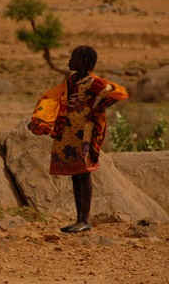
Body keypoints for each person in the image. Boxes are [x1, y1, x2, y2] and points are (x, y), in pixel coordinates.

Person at [28, 45, 128, 233]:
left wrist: (97, 110)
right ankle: (78, 219)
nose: (68, 61)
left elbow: (116, 94)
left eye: (73, 57)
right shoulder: (70, 82)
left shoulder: (93, 82)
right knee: (75, 174)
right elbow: (51, 100)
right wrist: (39, 121)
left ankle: (85, 219)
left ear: (83, 62)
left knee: (84, 172)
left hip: (84, 131)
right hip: (67, 131)